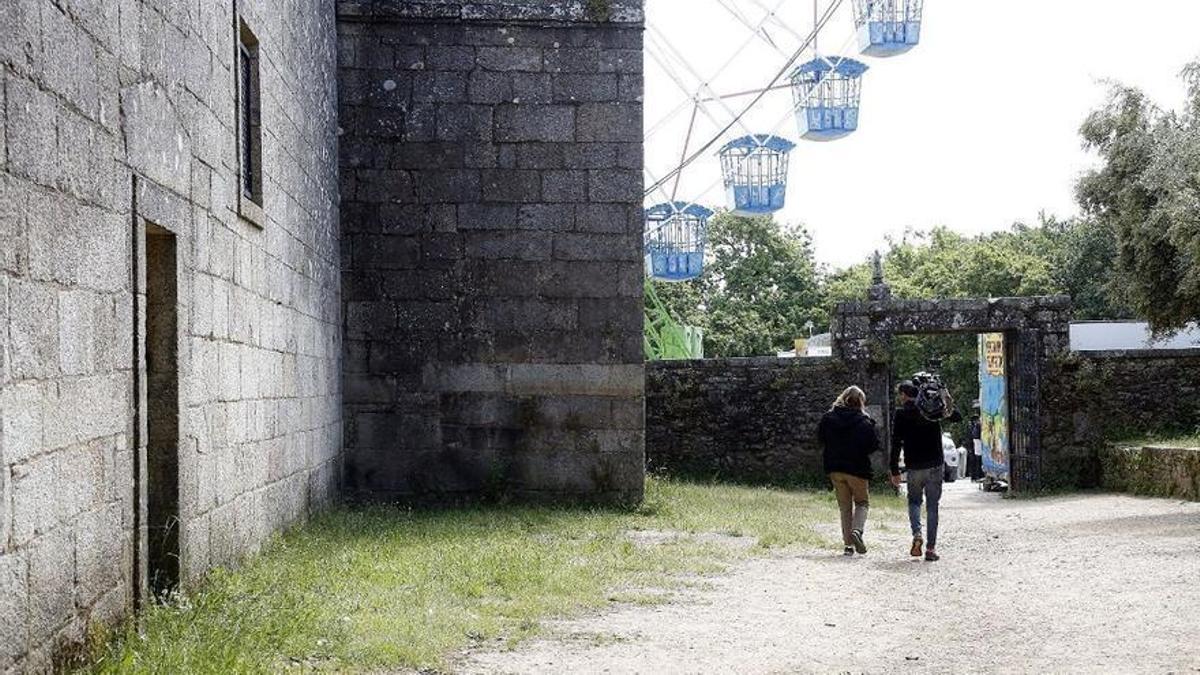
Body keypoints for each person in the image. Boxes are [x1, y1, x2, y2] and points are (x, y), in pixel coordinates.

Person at [889, 379, 962, 562]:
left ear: (905, 395)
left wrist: (894, 469)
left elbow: (896, 442)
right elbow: (957, 416)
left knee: (914, 502)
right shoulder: (932, 409)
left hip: (914, 466)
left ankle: (917, 534)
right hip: (935, 464)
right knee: (932, 506)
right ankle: (930, 549)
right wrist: (944, 397)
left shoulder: (901, 414)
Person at [818, 386, 880, 556]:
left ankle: (848, 546)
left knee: (845, 507)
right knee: (862, 503)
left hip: (835, 468)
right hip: (857, 469)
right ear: (861, 402)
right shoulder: (865, 422)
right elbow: (874, 445)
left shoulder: (828, 418)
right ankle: (857, 530)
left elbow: (820, 438)